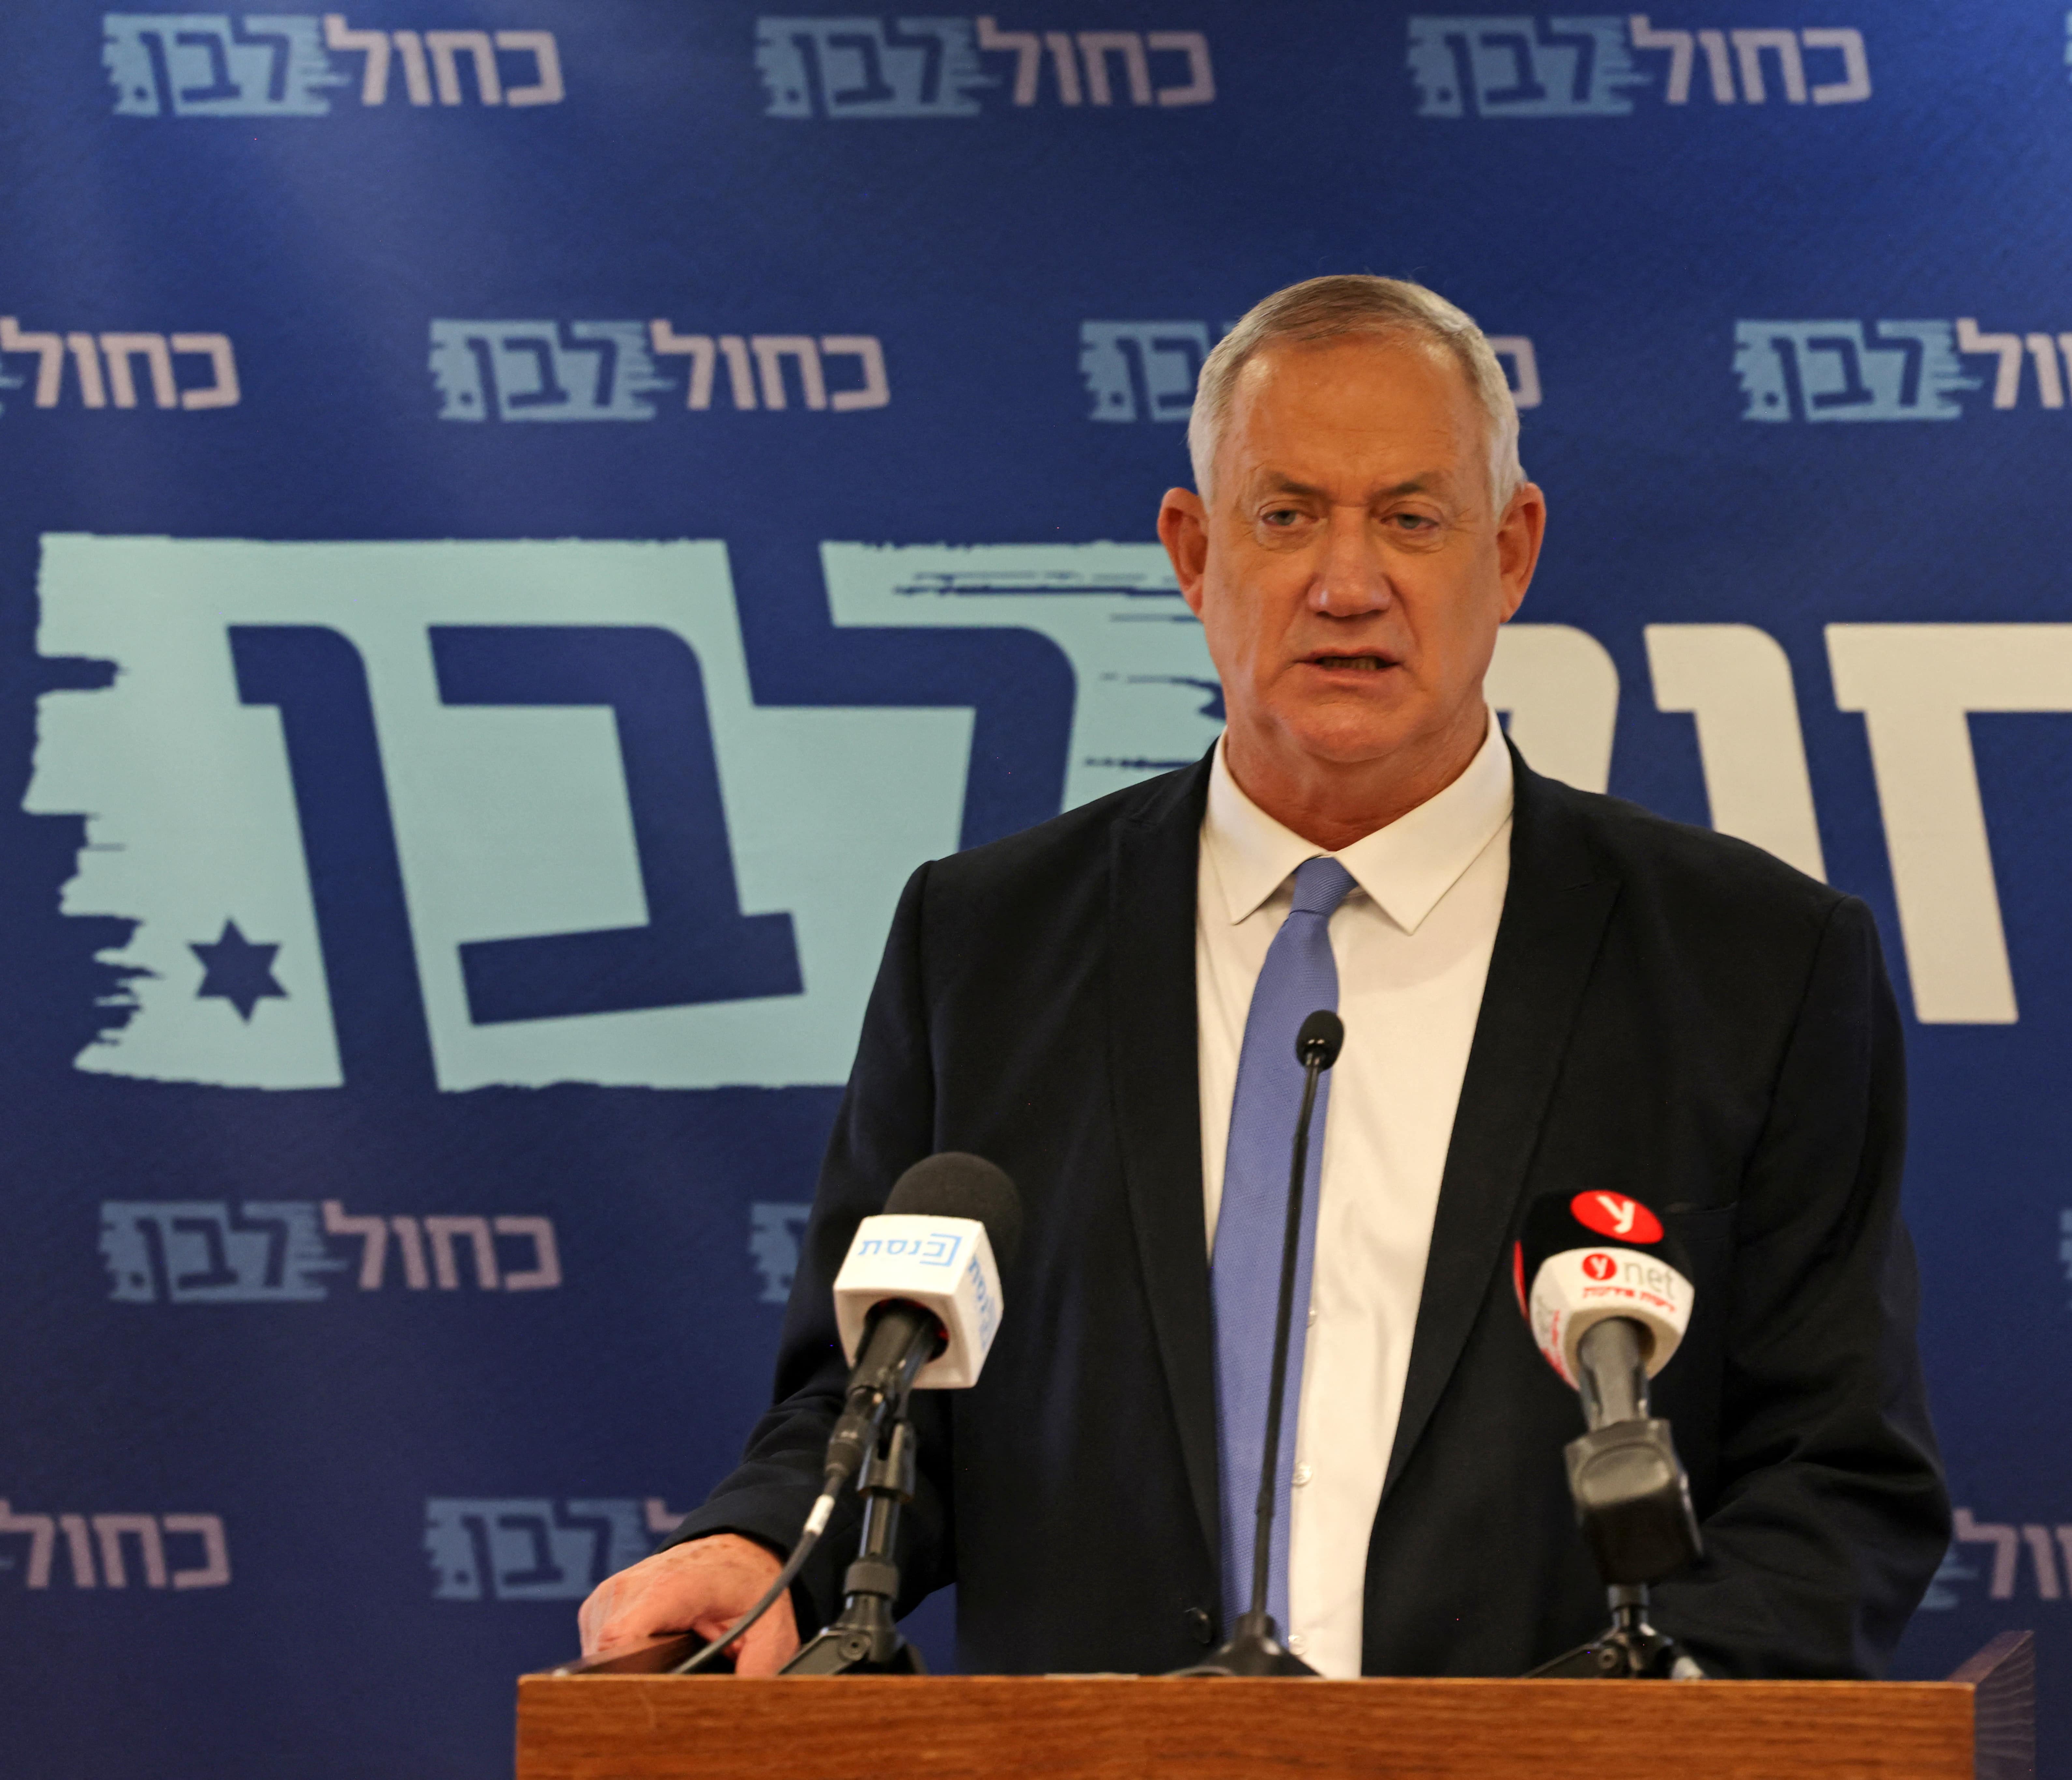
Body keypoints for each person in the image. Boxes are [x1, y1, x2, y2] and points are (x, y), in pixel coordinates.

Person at [578, 275, 1948, 1679]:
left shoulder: (1750, 964)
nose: (1345, 584)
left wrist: (1615, 1733)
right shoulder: (980, 944)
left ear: (1512, 548)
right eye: (1284, 515)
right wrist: (762, 1549)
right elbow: (870, 1396)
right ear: (1191, 549)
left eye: (1411, 519)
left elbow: (1834, 1475)